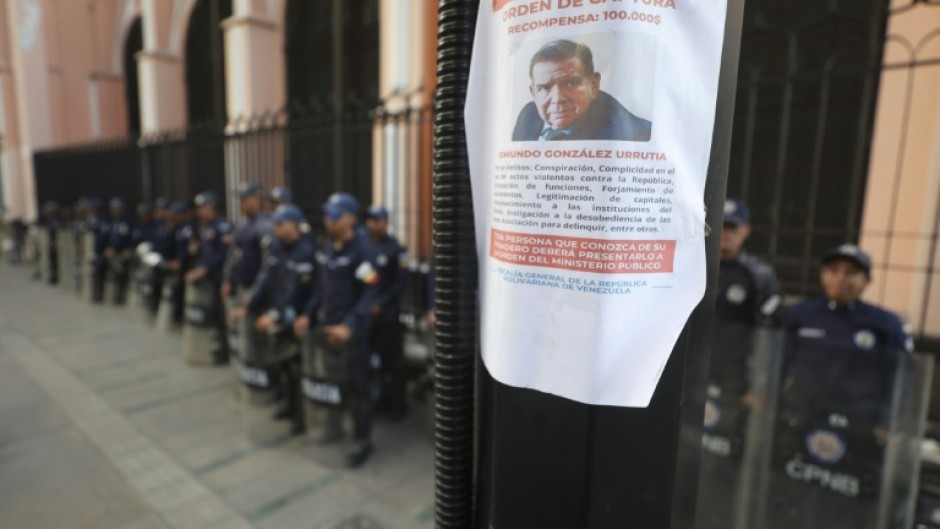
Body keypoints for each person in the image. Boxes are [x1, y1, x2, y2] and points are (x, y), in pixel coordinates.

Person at [767, 244, 912, 529]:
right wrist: (769, 400)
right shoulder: (802, 314)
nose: (841, 278)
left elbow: (900, 378)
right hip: (802, 418)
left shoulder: (886, 325)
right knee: (794, 489)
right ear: (822, 274)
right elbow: (777, 363)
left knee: (846, 498)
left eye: (851, 273)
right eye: (833, 271)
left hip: (859, 426)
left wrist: (886, 420)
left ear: (867, 280)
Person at [696, 199, 781, 529]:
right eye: (721, 226)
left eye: (733, 228)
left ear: (745, 232)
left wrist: (756, 389)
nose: (725, 234)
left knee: (724, 465)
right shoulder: (695, 263)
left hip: (734, 386)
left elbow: (768, 341)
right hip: (693, 378)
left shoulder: (757, 275)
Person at [300, 192, 380, 468]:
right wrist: (307, 316)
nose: (327, 219)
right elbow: (320, 288)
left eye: (333, 215)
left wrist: (349, 325)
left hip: (351, 333)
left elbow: (371, 293)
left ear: (350, 218)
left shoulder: (363, 250)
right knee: (330, 380)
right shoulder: (327, 246)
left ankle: (362, 440)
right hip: (326, 329)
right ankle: (331, 426)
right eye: (326, 214)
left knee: (359, 388)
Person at [235, 204, 317, 434]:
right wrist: (249, 304)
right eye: (275, 224)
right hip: (278, 316)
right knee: (283, 366)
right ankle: (288, 406)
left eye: (281, 224)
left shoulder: (306, 251)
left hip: (296, 318)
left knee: (298, 369)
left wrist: (275, 314)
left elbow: (295, 290)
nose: (276, 229)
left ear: (294, 225)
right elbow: (266, 278)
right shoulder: (277, 247)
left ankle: (301, 418)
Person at [512, 39, 652, 142]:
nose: (557, 98)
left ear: (593, 85)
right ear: (533, 92)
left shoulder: (636, 135)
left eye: (571, 83)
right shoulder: (528, 115)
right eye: (543, 88)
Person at [364, 205, 409, 420]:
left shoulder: (396, 250)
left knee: (393, 362)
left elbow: (400, 285)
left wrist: (381, 303)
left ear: (386, 222)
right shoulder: (364, 248)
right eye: (371, 219)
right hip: (368, 314)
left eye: (378, 219)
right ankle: (381, 400)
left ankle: (397, 405)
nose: (374, 223)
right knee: (374, 362)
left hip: (388, 316)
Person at [185, 191, 233, 364]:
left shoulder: (222, 227)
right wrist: (198, 267)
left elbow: (224, 254)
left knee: (222, 314)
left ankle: (226, 352)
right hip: (211, 277)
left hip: (221, 276)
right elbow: (206, 253)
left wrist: (205, 268)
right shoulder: (205, 227)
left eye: (203, 207)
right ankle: (219, 346)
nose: (200, 212)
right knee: (214, 313)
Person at [222, 182, 270, 303]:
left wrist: (256, 290)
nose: (242, 203)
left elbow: (268, 263)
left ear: (257, 199)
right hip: (240, 284)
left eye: (245, 199)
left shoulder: (265, 225)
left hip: (257, 286)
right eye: (241, 199)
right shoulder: (242, 224)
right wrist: (227, 279)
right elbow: (233, 252)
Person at [105, 198, 135, 304]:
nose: (114, 211)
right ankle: (114, 295)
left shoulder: (127, 221)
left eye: (116, 209)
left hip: (122, 253)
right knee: (114, 274)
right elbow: (112, 237)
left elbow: (130, 238)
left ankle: (122, 296)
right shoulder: (113, 221)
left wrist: (128, 250)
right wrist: (109, 248)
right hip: (113, 252)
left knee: (122, 275)